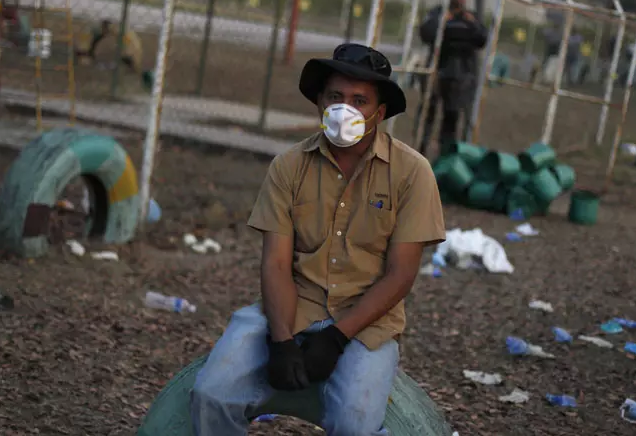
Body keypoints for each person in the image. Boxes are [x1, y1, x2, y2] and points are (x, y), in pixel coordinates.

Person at [189, 43, 446, 436]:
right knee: (211, 394)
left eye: (360, 100)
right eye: (336, 97)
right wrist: (281, 340)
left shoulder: (412, 173)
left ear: (379, 113)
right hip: (294, 306)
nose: (346, 109)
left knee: (355, 424)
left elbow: (400, 275)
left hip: (367, 323)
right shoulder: (288, 167)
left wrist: (337, 338)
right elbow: (275, 263)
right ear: (319, 103)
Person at [417, 0, 487, 156]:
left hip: (459, 76)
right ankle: (421, 150)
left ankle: (445, 155)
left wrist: (472, 24)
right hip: (436, 72)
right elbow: (426, 34)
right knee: (428, 113)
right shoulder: (438, 13)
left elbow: (482, 40)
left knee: (452, 116)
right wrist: (442, 21)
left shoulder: (470, 17)